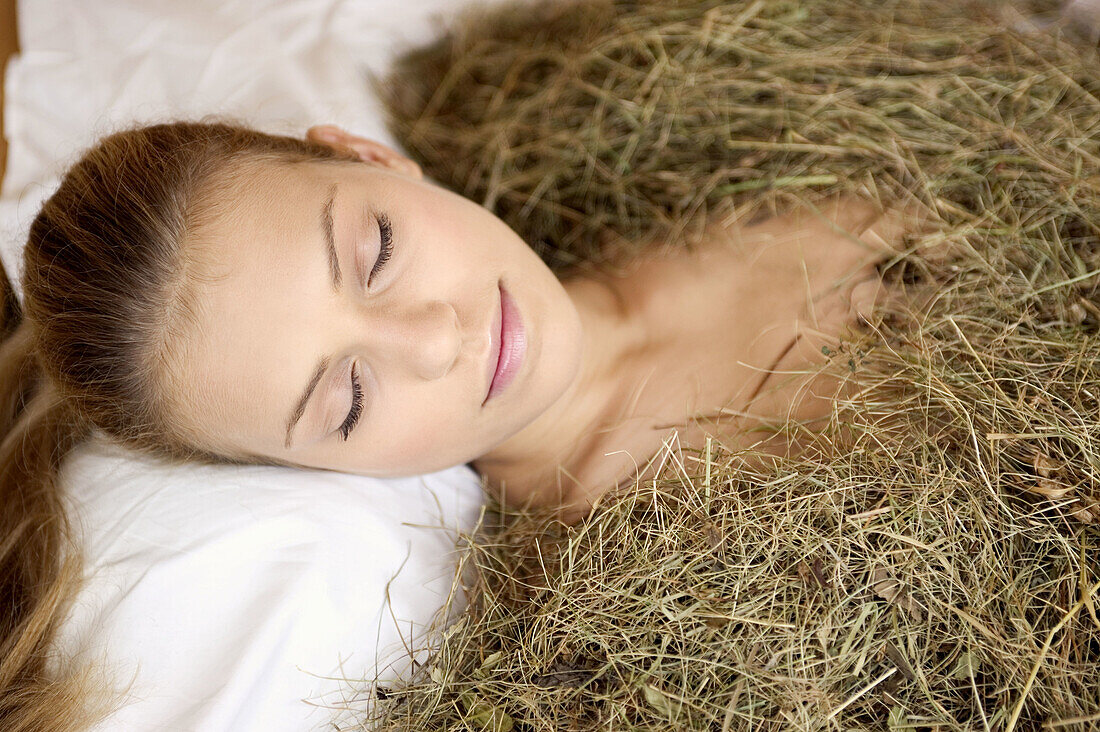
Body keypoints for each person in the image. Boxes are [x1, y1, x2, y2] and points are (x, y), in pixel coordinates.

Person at [0, 119, 907, 730]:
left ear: (368, 155)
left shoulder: (694, 133)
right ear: (319, 474)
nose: (437, 340)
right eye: (347, 401)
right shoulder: (669, 587)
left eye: (378, 252)